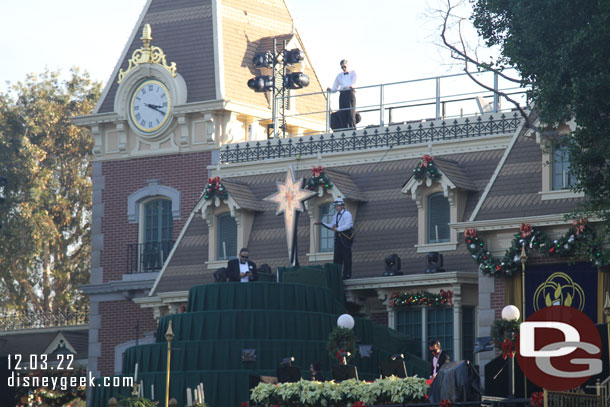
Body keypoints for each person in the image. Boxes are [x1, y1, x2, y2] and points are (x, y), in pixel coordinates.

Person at [314, 198, 354, 279]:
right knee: (337, 257)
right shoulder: (335, 215)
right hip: (338, 238)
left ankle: (347, 274)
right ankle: (337, 275)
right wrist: (322, 223)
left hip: (345, 237)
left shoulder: (347, 214)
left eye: (338, 206)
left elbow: (348, 225)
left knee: (346, 256)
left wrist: (338, 229)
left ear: (342, 206)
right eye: (335, 206)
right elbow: (332, 226)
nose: (336, 208)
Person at [327, 59, 357, 129]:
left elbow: (354, 81)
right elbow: (335, 88)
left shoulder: (353, 73)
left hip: (350, 93)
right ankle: (344, 131)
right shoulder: (339, 76)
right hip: (342, 94)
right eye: (342, 67)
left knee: (351, 114)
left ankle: (353, 130)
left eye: (344, 66)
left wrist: (352, 85)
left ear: (347, 65)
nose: (343, 68)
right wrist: (330, 90)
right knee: (343, 114)